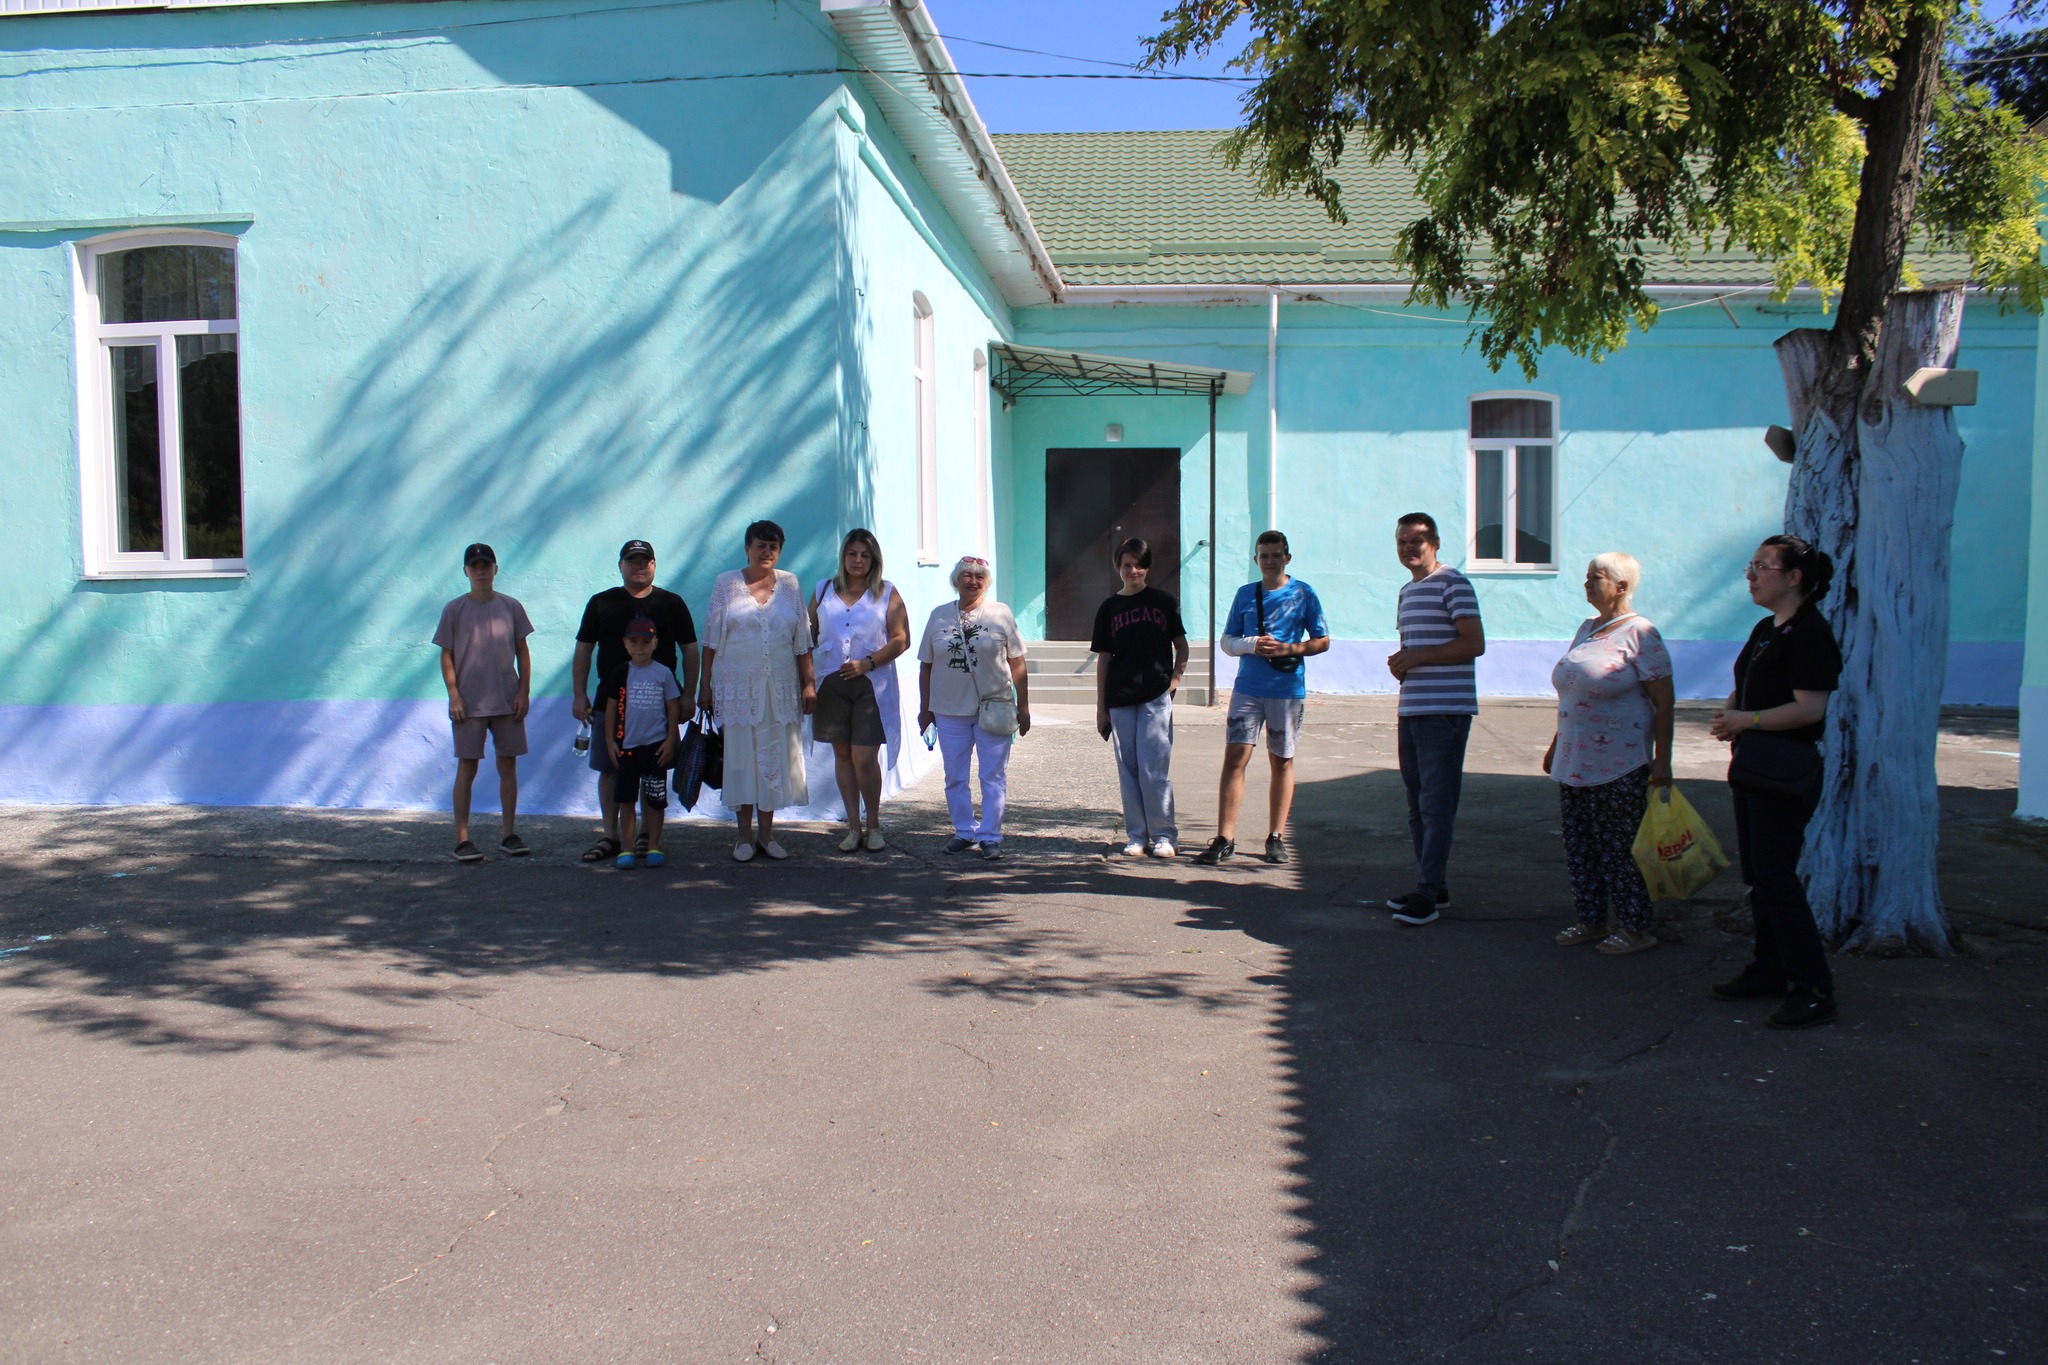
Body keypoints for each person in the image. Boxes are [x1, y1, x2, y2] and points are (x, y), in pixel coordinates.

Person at [1708, 534, 1842, 1029]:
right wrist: (1731, 711)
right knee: (1759, 877)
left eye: (1762, 566)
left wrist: (1748, 721)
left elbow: (1810, 708)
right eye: (1751, 565)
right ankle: (1769, 968)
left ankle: (1814, 987)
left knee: (1777, 878)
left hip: (1785, 768)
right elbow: (1748, 683)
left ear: (1793, 578)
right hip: (1754, 763)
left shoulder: (1810, 632)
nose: (1751, 574)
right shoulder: (1768, 628)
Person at [1543, 552, 1675, 953]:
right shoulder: (1587, 630)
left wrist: (1663, 761)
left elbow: (1665, 702)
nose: (1586, 584)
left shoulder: (1641, 633)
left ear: (1621, 587)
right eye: (1586, 577)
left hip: (1621, 763)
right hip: (1575, 760)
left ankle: (1636, 927)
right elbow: (1572, 693)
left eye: (1595, 578)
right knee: (1580, 846)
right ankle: (1591, 920)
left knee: (1620, 848)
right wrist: (1555, 744)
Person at [1194, 530, 1329, 866]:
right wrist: (1251, 645)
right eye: (1264, 556)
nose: (1270, 561)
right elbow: (1227, 642)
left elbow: (1323, 640)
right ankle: (1225, 837)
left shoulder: (1304, 594)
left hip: (1286, 691)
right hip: (1247, 690)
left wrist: (1290, 648)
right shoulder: (1245, 594)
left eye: (1276, 555)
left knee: (1282, 761)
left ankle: (1276, 837)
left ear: (1287, 557)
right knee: (1234, 760)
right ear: (1256, 560)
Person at [1377, 512, 1485, 924]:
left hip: (1446, 711)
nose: (1408, 548)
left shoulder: (1453, 582)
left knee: (1436, 805)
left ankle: (1425, 893)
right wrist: (1403, 664)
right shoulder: (1407, 591)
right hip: (1413, 708)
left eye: (1416, 541)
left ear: (1435, 542)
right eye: (1402, 541)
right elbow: (1415, 648)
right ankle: (1433, 886)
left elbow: (1473, 643)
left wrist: (1417, 657)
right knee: (1417, 805)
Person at [572, 540, 698, 864]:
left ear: (654, 565)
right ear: (621, 565)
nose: (639, 566)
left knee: (653, 770)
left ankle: (646, 837)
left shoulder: (672, 603)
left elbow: (691, 650)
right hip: (611, 704)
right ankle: (611, 837)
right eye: (632, 560)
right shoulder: (601, 603)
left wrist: (689, 694)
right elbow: (584, 649)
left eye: (645, 560)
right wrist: (578, 693)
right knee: (611, 769)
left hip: (660, 707)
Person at [699, 520, 815, 862]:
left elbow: (802, 641)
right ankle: (743, 837)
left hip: (779, 688)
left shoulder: (790, 584)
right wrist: (704, 685)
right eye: (760, 545)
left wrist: (808, 683)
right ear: (747, 548)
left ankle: (767, 835)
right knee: (740, 760)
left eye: (773, 546)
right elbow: (710, 639)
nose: (767, 552)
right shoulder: (726, 583)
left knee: (774, 759)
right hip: (736, 687)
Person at [917, 556, 1030, 860]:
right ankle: (964, 831)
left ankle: (991, 835)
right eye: (967, 575)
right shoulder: (939, 616)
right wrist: (924, 708)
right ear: (956, 580)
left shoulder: (1000, 613)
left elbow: (1017, 664)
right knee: (955, 775)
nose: (973, 581)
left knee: (993, 776)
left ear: (986, 582)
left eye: (980, 576)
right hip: (948, 710)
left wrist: (1024, 707)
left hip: (993, 707)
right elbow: (926, 666)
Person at [808, 528, 911, 853]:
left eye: (865, 555)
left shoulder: (886, 592)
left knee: (864, 757)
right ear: (844, 557)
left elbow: (901, 639)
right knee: (842, 755)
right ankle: (852, 827)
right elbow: (805, 636)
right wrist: (806, 681)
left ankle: (874, 824)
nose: (858, 560)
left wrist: (868, 662)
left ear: (874, 560)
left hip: (871, 685)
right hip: (831, 684)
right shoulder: (824, 590)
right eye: (852, 554)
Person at [432, 543, 533, 862]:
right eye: (474, 566)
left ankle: (509, 834)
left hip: (507, 698)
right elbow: (446, 654)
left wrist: (523, 692)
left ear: (495, 569)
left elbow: (523, 651)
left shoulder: (511, 607)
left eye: (486, 565)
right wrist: (454, 695)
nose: (480, 570)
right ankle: (462, 838)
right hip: (469, 703)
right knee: (467, 767)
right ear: (465, 571)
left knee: (508, 765)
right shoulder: (454, 609)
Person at [1093, 536, 1189, 857]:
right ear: (1118, 567)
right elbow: (1104, 659)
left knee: (1154, 768)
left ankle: (1164, 835)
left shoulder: (1163, 601)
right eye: (1126, 565)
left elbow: (1181, 645)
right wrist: (1101, 708)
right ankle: (1137, 835)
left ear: (1146, 566)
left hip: (1155, 695)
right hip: (1120, 698)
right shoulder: (1109, 608)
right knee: (1128, 767)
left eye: (1137, 564)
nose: (1132, 570)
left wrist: (1173, 681)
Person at [600, 616, 682, 869]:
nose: (639, 646)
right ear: (625, 644)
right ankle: (626, 847)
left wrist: (670, 740)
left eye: (645, 641)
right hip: (627, 748)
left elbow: (672, 708)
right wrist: (611, 742)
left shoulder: (663, 673)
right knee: (626, 799)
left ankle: (654, 844)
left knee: (656, 799)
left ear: (655, 643)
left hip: (655, 748)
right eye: (633, 641)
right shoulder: (620, 673)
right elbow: (611, 709)